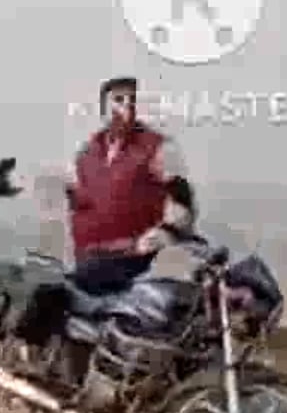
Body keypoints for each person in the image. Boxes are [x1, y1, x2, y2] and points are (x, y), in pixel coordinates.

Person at [64, 75, 197, 296]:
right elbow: (74, 208)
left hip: (137, 262)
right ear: (103, 108)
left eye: (131, 102)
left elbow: (182, 203)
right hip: (89, 262)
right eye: (118, 100)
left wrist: (164, 235)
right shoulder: (85, 154)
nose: (125, 107)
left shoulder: (159, 147)